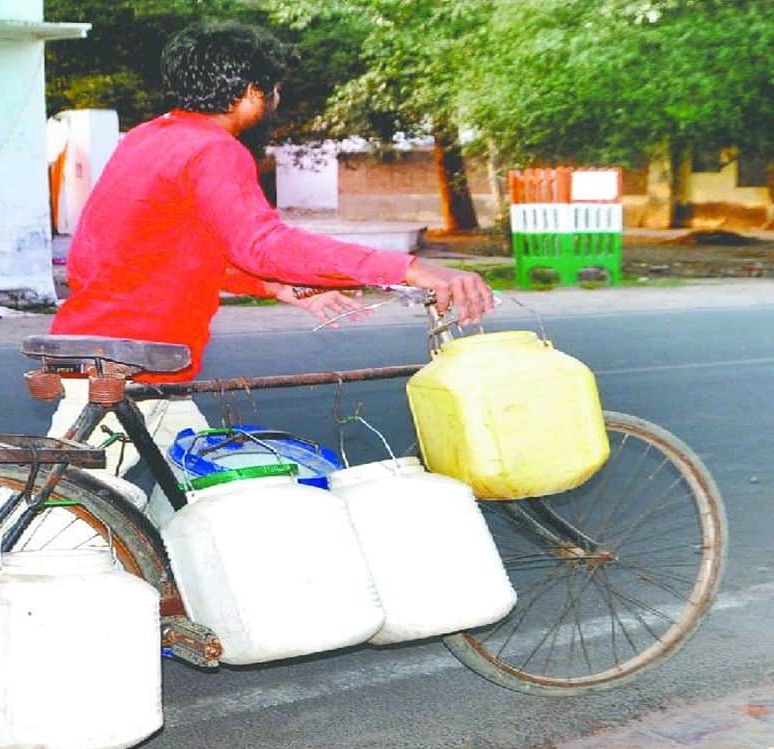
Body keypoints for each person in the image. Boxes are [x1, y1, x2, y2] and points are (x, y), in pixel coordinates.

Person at [43, 22, 495, 525]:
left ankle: (185, 589)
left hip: (125, 351)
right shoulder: (214, 150)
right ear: (248, 93)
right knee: (60, 512)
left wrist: (271, 286)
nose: (276, 100)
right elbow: (263, 243)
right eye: (272, 89)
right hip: (131, 361)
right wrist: (408, 267)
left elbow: (155, 249)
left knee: (198, 501)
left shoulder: (148, 139)